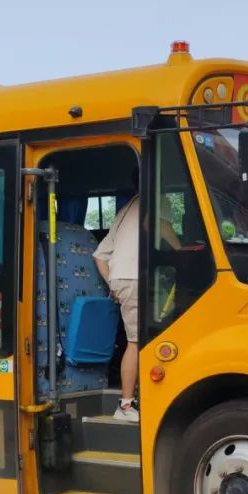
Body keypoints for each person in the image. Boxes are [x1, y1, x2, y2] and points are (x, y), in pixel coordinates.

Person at [93, 166, 179, 422]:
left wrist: (113, 283)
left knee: (143, 339)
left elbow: (99, 255)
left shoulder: (126, 208)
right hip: (133, 278)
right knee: (136, 342)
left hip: (124, 278)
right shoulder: (156, 199)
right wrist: (182, 251)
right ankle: (126, 406)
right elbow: (158, 225)